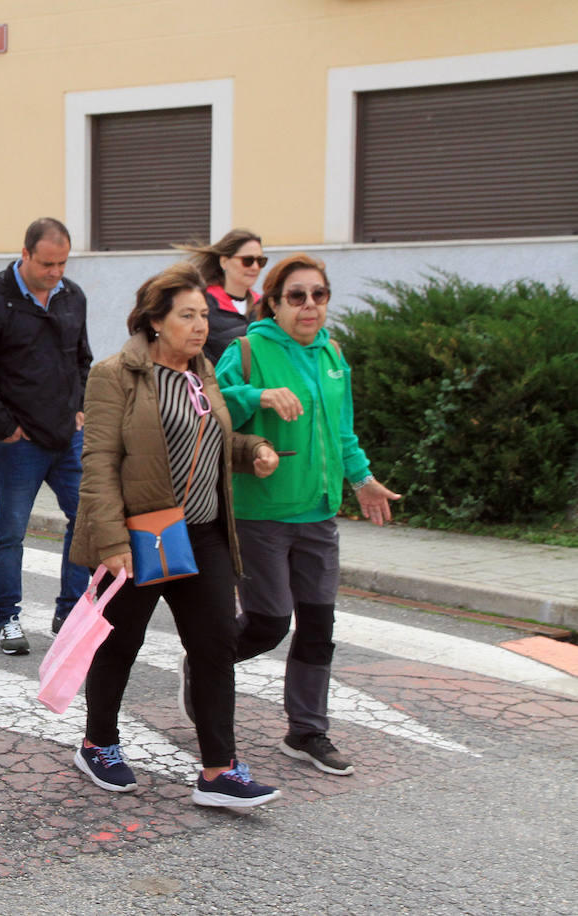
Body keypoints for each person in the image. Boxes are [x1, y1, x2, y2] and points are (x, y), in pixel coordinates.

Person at [70, 261, 283, 808]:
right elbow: (98, 462)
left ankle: (219, 770)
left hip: (205, 531)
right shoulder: (115, 373)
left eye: (204, 315)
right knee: (121, 642)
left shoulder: (201, 372)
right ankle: (99, 743)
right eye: (187, 315)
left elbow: (208, 441)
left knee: (215, 645)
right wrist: (112, 540)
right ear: (155, 320)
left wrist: (250, 450)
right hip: (145, 531)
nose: (200, 326)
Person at [213, 252, 400, 777]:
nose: (310, 305)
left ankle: (307, 730)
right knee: (270, 622)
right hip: (261, 514)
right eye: (297, 296)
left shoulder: (333, 356)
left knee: (318, 624)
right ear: (273, 303)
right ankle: (208, 661)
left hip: (318, 513)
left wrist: (362, 482)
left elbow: (343, 433)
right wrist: (259, 394)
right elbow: (214, 405)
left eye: (319, 295)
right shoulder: (248, 350)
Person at [0, 217, 93, 654]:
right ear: (26, 255)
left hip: (66, 438)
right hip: (18, 445)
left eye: (62, 263)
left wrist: (79, 408)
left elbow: (82, 360)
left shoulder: (73, 297)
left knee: (86, 519)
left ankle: (70, 610)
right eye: (48, 263)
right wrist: (4, 429)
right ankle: (7, 616)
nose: (56, 272)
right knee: (13, 531)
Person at [177, 229, 267, 365]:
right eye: (247, 260)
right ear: (224, 262)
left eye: (260, 261)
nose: (255, 267)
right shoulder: (203, 303)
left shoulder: (264, 305)